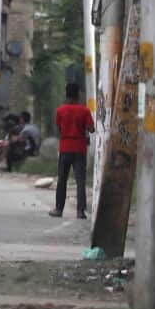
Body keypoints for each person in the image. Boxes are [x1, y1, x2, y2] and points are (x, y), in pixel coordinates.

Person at [51, 83, 95, 219]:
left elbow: (58, 129)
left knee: (62, 180)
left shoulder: (60, 110)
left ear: (66, 94)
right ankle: (80, 211)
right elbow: (91, 129)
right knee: (80, 181)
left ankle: (58, 210)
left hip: (65, 147)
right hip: (79, 148)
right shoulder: (85, 111)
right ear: (78, 94)